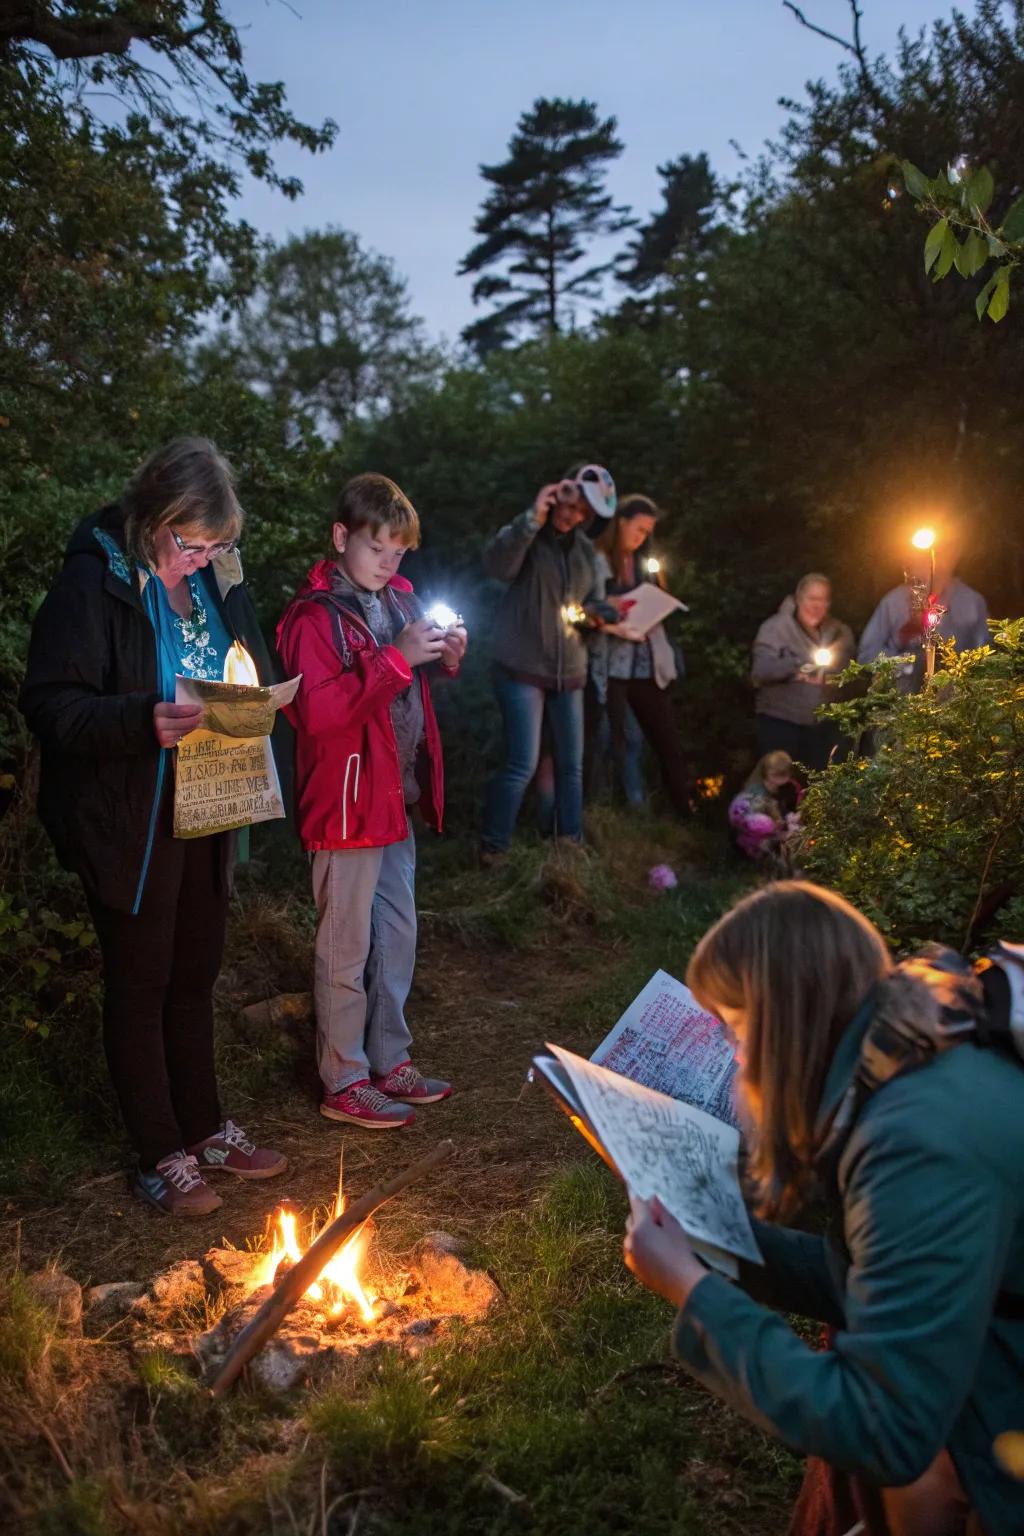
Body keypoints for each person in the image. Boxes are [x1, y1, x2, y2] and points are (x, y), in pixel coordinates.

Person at [624, 882, 1024, 1536]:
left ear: (785, 1025)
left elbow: (886, 1428)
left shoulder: (914, 1141)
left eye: (737, 1029)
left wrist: (692, 1291)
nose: (735, 1056)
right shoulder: (904, 1062)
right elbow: (875, 1272)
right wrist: (716, 1243)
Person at [20, 438, 287, 1216]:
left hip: (211, 799)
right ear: (152, 518)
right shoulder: (95, 580)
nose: (200, 560)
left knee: (195, 972)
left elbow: (250, 666)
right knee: (140, 982)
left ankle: (205, 1128)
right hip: (130, 816)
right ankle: (158, 1151)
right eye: (189, 543)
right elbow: (50, 704)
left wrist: (257, 701)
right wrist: (143, 721)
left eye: (216, 546)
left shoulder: (217, 579)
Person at [276, 473, 466, 1130]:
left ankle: (391, 1060)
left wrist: (441, 657)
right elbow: (318, 712)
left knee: (396, 937)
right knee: (346, 945)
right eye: (377, 547)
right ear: (340, 537)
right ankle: (344, 1078)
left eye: (399, 552)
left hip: (394, 802)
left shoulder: (403, 604)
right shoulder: (312, 618)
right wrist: (395, 659)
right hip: (346, 804)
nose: (389, 561)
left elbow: (406, 690)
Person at [479, 464, 617, 859]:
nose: (571, 515)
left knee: (571, 767)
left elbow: (596, 598)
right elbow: (496, 566)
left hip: (569, 669)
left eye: (582, 514)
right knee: (522, 764)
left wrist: (597, 614)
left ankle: (568, 846)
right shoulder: (530, 536)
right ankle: (493, 849)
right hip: (521, 666)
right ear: (559, 493)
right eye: (569, 505)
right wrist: (531, 518)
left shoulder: (586, 552)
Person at [590, 494, 690, 818]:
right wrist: (613, 610)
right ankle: (610, 813)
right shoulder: (598, 560)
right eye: (639, 529)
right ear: (620, 522)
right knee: (612, 739)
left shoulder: (642, 563)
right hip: (613, 664)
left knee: (664, 739)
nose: (642, 537)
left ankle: (682, 813)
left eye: (648, 532)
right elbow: (587, 605)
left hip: (646, 664)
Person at [751, 573, 854, 771]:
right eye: (812, 599)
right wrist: (796, 666)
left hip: (824, 727)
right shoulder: (775, 629)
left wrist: (832, 677)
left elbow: (852, 673)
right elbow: (760, 671)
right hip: (782, 722)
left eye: (823, 600)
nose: (817, 606)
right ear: (799, 599)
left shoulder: (840, 632)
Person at [858, 539, 989, 692]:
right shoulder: (894, 603)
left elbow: (986, 653)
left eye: (944, 555)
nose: (937, 565)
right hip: (905, 699)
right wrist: (907, 663)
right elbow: (867, 654)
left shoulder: (971, 601)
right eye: (923, 561)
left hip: (956, 700)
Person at [727, 750, 802, 870]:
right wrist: (781, 829)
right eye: (776, 774)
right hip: (754, 840)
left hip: (773, 832)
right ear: (767, 773)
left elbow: (786, 810)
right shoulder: (755, 794)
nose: (780, 778)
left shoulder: (787, 789)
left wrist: (790, 818)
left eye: (784, 774)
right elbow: (753, 822)